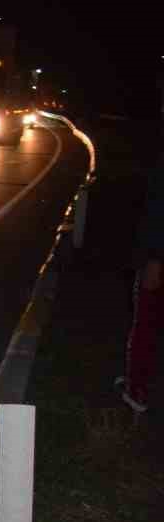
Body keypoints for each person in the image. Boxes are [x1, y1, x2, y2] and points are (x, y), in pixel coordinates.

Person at [117, 154, 164, 414]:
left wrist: (154, 258)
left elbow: (158, 207)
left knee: (145, 326)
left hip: (157, 260)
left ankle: (136, 392)